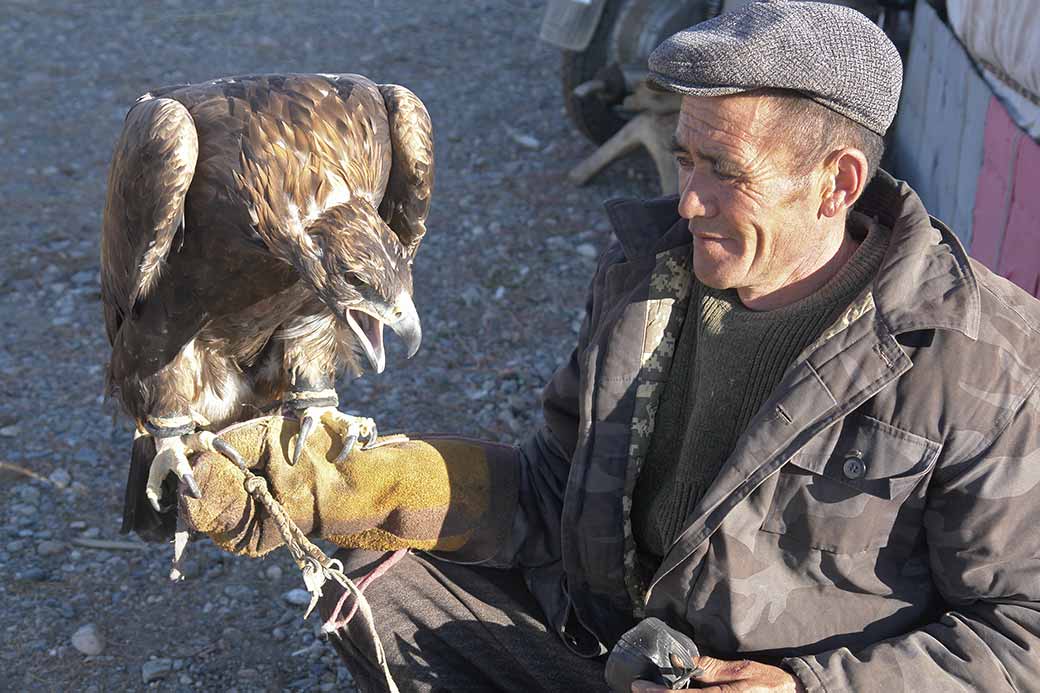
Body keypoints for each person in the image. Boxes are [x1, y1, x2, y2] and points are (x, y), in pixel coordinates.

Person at [178, 2, 1040, 691]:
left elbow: (1021, 633)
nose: (688, 199)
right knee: (379, 569)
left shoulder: (979, 358)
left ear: (837, 183)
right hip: (613, 648)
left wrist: (802, 686)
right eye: (684, 157)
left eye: (724, 172)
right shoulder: (648, 278)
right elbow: (557, 491)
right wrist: (360, 485)